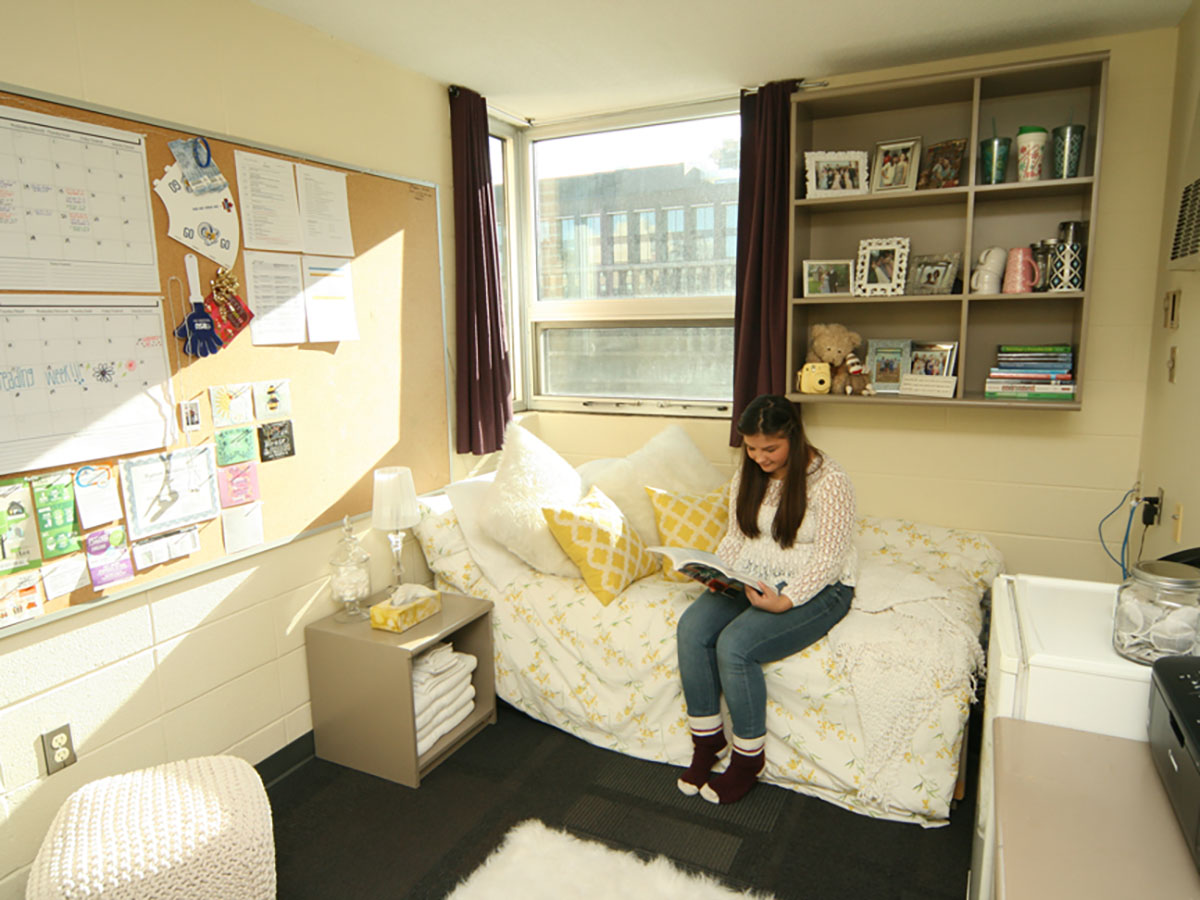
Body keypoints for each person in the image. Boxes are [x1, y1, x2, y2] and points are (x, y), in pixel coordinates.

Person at [675, 394, 857, 804]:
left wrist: (787, 601)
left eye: (770, 448)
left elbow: (830, 557)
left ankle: (747, 759)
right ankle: (707, 743)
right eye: (752, 448)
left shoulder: (831, 480)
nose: (759, 457)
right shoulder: (749, 474)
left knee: (736, 644)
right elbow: (738, 537)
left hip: (820, 587)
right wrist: (717, 573)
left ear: (794, 436)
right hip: (755, 576)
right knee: (692, 628)